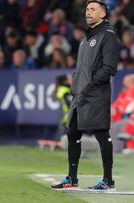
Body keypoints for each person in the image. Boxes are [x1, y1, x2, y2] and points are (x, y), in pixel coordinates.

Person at [51, 0, 119, 190]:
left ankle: (108, 179)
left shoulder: (109, 36)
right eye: (87, 9)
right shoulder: (86, 37)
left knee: (101, 133)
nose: (88, 12)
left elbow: (109, 68)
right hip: (80, 94)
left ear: (103, 14)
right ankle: (72, 178)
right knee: (72, 132)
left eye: (93, 9)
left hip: (96, 94)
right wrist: (75, 85)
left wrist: (89, 84)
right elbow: (81, 67)